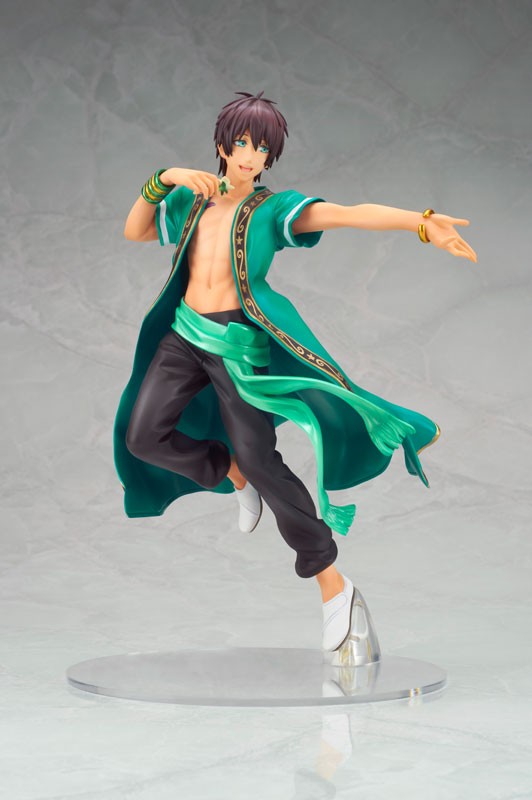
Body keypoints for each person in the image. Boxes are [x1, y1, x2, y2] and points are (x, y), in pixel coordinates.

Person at [114, 91, 477, 653]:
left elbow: (349, 213)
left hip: (238, 348)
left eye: (261, 148)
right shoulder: (192, 199)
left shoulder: (272, 209)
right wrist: (163, 178)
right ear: (222, 145)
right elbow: (135, 230)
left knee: (264, 460)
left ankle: (333, 585)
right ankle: (229, 473)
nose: (250, 156)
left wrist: (422, 224)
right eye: (242, 143)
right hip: (183, 338)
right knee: (142, 437)